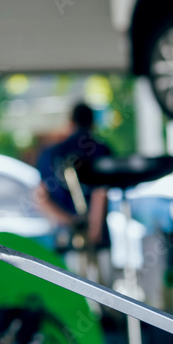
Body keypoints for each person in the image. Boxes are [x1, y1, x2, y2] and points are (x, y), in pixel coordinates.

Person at [34, 103, 112, 253]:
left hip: (63, 236)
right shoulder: (101, 149)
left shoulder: (50, 153)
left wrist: (68, 221)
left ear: (70, 122)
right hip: (97, 236)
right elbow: (100, 193)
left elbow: (40, 197)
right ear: (93, 123)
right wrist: (93, 232)